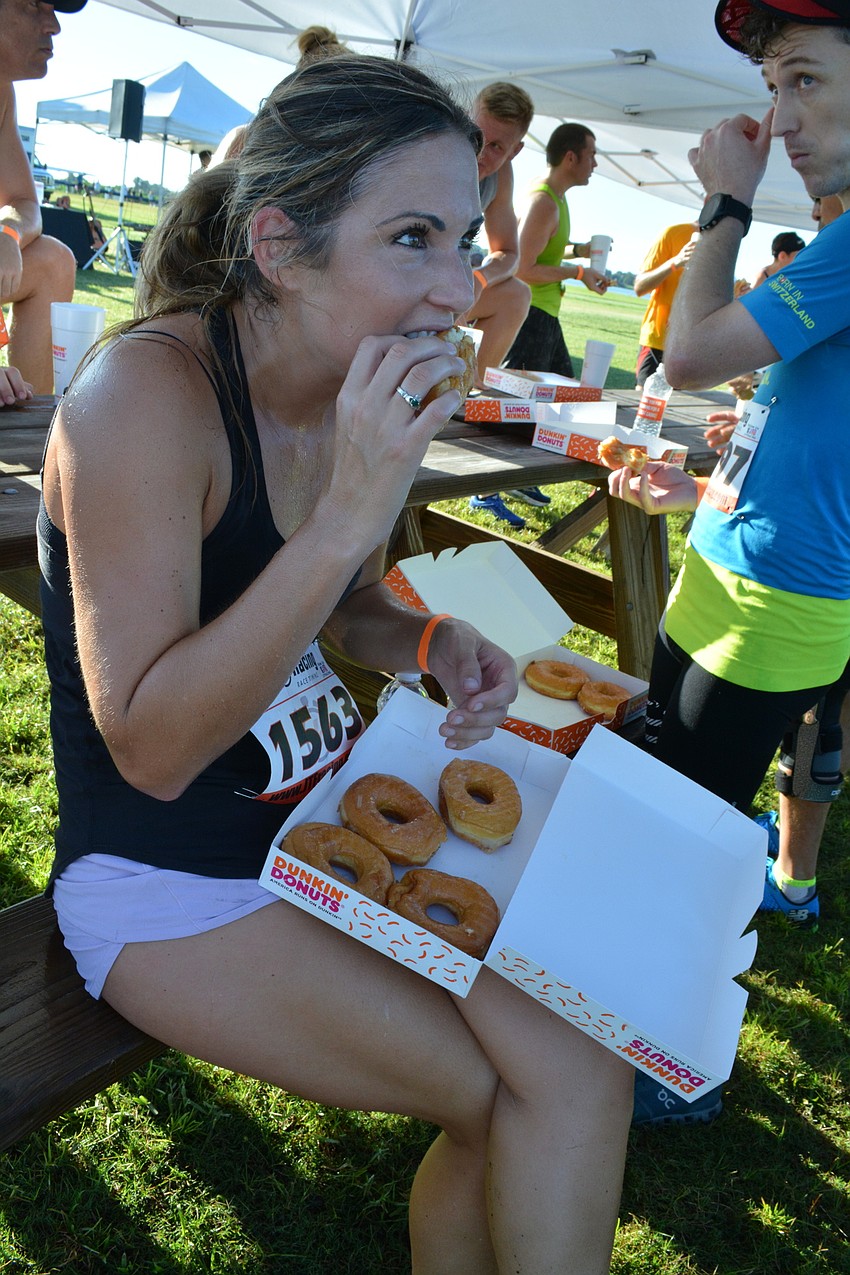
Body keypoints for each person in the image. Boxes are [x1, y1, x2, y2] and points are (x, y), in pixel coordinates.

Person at [42, 56, 633, 1271]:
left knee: (580, 1065)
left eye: (463, 241)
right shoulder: (142, 399)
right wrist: (346, 510)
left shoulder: (345, 380)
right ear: (276, 242)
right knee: (509, 1097)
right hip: (170, 886)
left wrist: (421, 635)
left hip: (313, 834)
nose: (457, 290)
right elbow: (150, 752)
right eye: (411, 239)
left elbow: (339, 605)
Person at [603, 0, 850, 950]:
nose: (780, 119)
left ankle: (667, 1068)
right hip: (727, 568)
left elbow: (691, 355)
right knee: (658, 789)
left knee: (674, 832)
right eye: (772, 86)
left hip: (775, 608)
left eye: (806, 79)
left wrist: (726, 204)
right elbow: (810, 428)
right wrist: (708, 486)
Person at [469, 122, 609, 531]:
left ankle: (521, 478)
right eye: (592, 154)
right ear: (571, 157)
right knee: (507, 405)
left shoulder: (554, 201)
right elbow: (524, 265)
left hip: (544, 314)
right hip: (531, 313)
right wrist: (578, 270)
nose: (596, 164)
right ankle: (486, 488)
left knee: (559, 402)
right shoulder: (545, 201)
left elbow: (536, 245)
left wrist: (577, 252)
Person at [463, 82, 547, 526]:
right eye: (476, 137)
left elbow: (509, 254)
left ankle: (465, 392)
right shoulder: (435, 153)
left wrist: (482, 277)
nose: (481, 152)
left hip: (455, 283)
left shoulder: (502, 177)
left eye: (496, 146)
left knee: (516, 294)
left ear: (514, 152)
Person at [0, 0, 82, 393]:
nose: (54, 26)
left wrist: (8, 234)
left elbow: (24, 202)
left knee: (52, 261)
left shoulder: (2, 92)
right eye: (34, 5)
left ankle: (29, 434)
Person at [633, 221, 699, 387]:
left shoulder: (723, 246)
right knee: (645, 403)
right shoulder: (674, 233)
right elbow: (640, 287)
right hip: (658, 340)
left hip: (690, 347)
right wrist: (676, 262)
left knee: (680, 406)